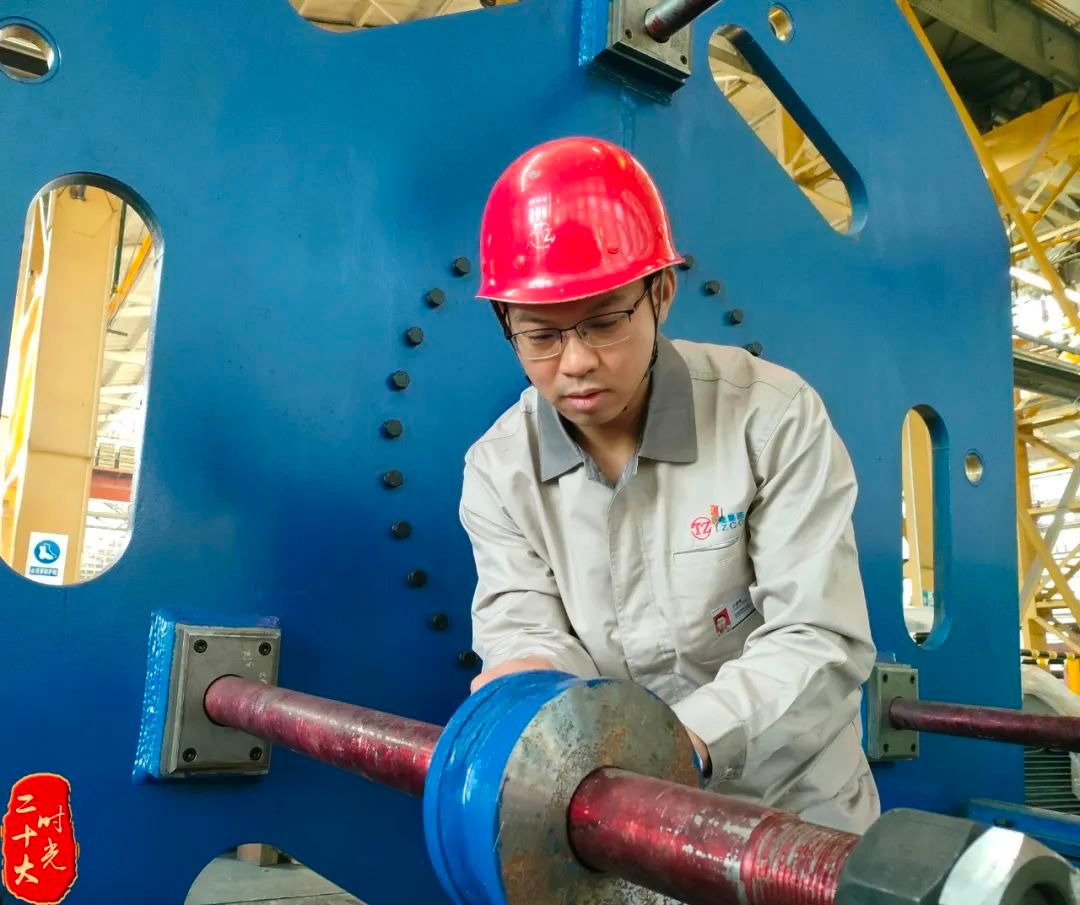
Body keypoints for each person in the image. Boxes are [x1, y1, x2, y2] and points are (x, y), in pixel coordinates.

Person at [457, 136, 880, 833]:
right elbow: (525, 626)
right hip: (624, 818)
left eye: (604, 323)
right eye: (541, 335)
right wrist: (528, 679)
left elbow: (817, 635)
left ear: (661, 293)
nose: (576, 362)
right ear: (506, 321)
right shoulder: (499, 470)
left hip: (792, 811)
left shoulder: (772, 417)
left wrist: (680, 742)